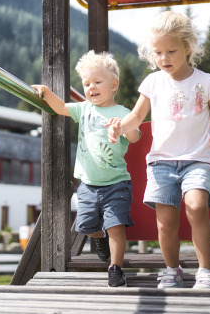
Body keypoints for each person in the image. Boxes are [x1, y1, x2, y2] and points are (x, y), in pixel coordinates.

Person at [106, 11, 210, 289]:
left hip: (197, 160)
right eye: (157, 52)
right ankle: (172, 270)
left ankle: (205, 271)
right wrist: (119, 127)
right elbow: (136, 116)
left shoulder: (205, 82)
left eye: (171, 51)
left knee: (196, 206)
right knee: (165, 223)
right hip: (161, 163)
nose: (164, 58)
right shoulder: (153, 82)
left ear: (188, 47)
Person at [32, 50, 141, 287]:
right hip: (88, 186)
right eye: (87, 83)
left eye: (98, 82)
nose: (91, 87)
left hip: (117, 184)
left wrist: (123, 128)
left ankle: (116, 269)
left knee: (116, 227)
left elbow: (135, 136)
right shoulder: (84, 109)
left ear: (114, 85)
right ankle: (98, 237)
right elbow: (61, 107)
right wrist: (47, 92)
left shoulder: (122, 113)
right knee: (87, 227)